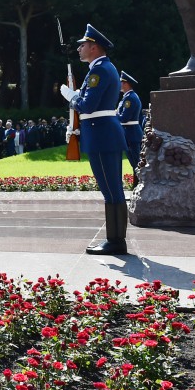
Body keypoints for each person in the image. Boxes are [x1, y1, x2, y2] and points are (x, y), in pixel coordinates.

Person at [60, 24, 129, 255]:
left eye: (83, 45)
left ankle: (116, 241)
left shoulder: (99, 71)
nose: (79, 48)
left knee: (110, 190)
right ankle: (116, 239)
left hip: (101, 134)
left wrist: (71, 98)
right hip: (103, 133)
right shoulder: (102, 68)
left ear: (94, 47)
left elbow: (88, 105)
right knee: (112, 189)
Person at [118, 72, 144, 174]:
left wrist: (112, 114)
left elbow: (124, 118)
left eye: (121, 82)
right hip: (130, 133)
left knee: (137, 164)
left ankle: (142, 182)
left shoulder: (129, 98)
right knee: (135, 164)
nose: (119, 84)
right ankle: (138, 182)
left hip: (131, 134)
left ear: (126, 83)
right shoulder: (128, 97)